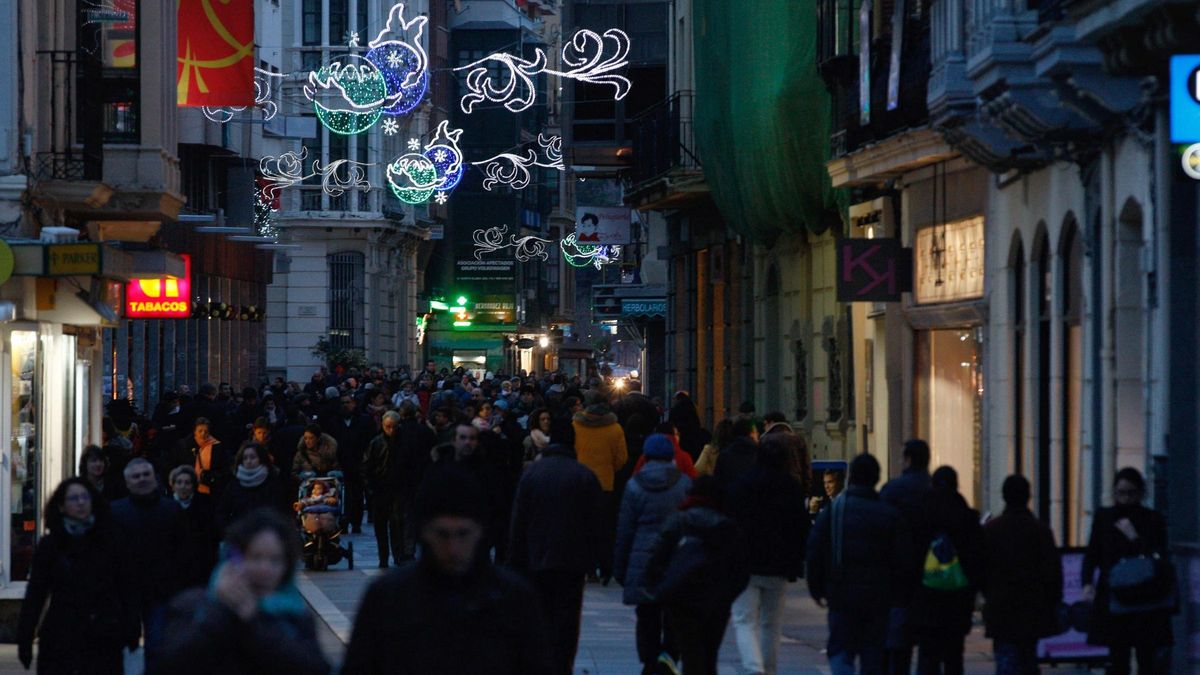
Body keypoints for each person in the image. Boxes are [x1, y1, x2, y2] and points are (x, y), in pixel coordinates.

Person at [342, 465, 553, 675]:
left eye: (463, 534)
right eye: (442, 535)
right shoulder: (387, 598)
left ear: (480, 532)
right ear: (424, 533)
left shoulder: (514, 599)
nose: (453, 549)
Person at [158, 509, 330, 675]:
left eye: (275, 560)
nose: (265, 569)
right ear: (235, 559)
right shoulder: (192, 605)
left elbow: (314, 667)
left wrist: (254, 623)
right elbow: (168, 664)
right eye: (255, 557)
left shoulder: (294, 613)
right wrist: (220, 610)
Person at [807, 453, 913, 674]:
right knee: (873, 653)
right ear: (876, 478)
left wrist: (816, 588)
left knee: (841, 650)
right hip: (879, 596)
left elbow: (815, 550)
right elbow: (903, 560)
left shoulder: (834, 511)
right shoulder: (889, 514)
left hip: (841, 594)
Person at [17, 478, 137, 674]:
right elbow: (36, 593)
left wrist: (130, 627)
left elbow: (126, 586)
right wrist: (25, 638)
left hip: (103, 633)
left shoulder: (110, 540)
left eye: (84, 497)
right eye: (73, 498)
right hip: (62, 633)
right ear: (62, 507)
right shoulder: (51, 545)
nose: (81, 502)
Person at [507, 443, 604, 675]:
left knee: (540, 613)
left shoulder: (531, 474)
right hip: (573, 560)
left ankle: (541, 661)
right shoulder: (584, 474)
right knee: (568, 616)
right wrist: (600, 560)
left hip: (537, 557)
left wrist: (513, 560)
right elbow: (597, 521)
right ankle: (563, 664)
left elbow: (518, 520)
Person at [641, 476, 749, 675]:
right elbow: (741, 570)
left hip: (682, 600)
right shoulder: (727, 527)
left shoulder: (679, 520)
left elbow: (657, 559)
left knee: (691, 654)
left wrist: (660, 588)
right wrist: (727, 596)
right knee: (710, 654)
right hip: (715, 601)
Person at [727, 433, 811, 675]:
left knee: (744, 619)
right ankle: (769, 669)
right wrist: (797, 561)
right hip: (779, 564)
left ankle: (754, 668)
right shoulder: (791, 488)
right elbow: (801, 527)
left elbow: (730, 524)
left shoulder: (741, 487)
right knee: (771, 623)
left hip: (746, 564)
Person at [1081, 467, 1172, 674]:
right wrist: (1087, 582)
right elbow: (1093, 552)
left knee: (1146, 656)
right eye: (1121, 493)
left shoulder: (1152, 519)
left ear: (1140, 493)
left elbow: (1158, 556)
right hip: (1115, 594)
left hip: (1145, 594)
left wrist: (1135, 538)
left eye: (1131, 493)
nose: (1126, 498)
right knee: (1117, 655)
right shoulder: (1104, 517)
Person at [614, 434, 692, 675]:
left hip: (643, 558)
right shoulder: (684, 484)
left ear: (646, 457)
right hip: (674, 557)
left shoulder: (634, 485)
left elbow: (625, 530)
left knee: (646, 614)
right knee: (674, 614)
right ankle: (668, 659)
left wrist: (620, 567)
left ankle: (649, 661)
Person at [981, 475, 1062, 675]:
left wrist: (987, 595)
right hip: (1032, 608)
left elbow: (981, 569)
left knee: (1006, 660)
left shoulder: (992, 530)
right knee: (1028, 657)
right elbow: (1052, 572)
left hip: (1001, 607)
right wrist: (1052, 603)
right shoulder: (1040, 530)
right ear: (1028, 496)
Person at [110, 458, 184, 669]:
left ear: (155, 479)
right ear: (127, 482)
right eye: (136, 476)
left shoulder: (171, 511)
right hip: (125, 590)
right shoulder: (116, 512)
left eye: (146, 475)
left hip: (160, 589)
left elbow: (183, 551)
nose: (141, 479)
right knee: (124, 645)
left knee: (157, 645)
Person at [910, 466, 983, 675]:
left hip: (926, 597)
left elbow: (910, 555)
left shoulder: (920, 513)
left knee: (927, 655)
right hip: (957, 599)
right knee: (953, 656)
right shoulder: (966, 516)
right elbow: (977, 559)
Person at [879, 439, 933, 675]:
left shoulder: (892, 490)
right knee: (928, 646)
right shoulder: (935, 490)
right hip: (931, 575)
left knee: (898, 644)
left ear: (908, 459)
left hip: (897, 576)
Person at [573, 398, 629, 579]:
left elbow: (571, 451)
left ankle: (586, 565)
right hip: (605, 484)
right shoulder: (615, 429)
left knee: (582, 528)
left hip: (580, 483)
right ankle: (604, 565)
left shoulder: (576, 425)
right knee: (603, 528)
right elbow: (621, 458)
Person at [323, 394, 375, 533]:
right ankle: (342, 522)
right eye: (343, 403)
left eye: (348, 402)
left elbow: (370, 440)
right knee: (339, 495)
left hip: (358, 462)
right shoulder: (334, 422)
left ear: (354, 404)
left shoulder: (364, 420)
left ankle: (356, 522)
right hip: (340, 463)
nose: (345, 405)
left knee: (357, 494)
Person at [362, 411, 406, 567]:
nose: (391, 430)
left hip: (398, 487)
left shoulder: (404, 442)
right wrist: (371, 489)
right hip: (381, 487)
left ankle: (398, 554)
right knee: (381, 526)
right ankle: (384, 556)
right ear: (383, 425)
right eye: (388, 427)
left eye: (394, 427)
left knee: (397, 524)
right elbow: (367, 467)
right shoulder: (376, 443)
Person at [216, 443, 287, 534]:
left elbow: (280, 511)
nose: (249, 461)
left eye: (253, 457)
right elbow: (222, 512)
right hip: (240, 537)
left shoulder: (272, 482)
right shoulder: (234, 484)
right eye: (245, 458)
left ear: (261, 458)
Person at [169, 466, 220, 590]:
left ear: (193, 485)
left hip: (201, 560)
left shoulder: (205, 503)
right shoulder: (167, 507)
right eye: (179, 482)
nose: (183, 486)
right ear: (173, 485)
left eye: (187, 483)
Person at [167, 417, 229, 498]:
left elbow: (224, 469)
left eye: (206, 431)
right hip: (186, 488)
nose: (203, 434)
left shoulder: (216, 447)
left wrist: (208, 476)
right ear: (195, 432)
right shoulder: (183, 446)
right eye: (200, 431)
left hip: (210, 490)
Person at [713, 418, 759, 489]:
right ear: (750, 434)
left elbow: (717, 482)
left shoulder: (724, 455)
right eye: (755, 432)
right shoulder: (759, 454)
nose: (758, 434)